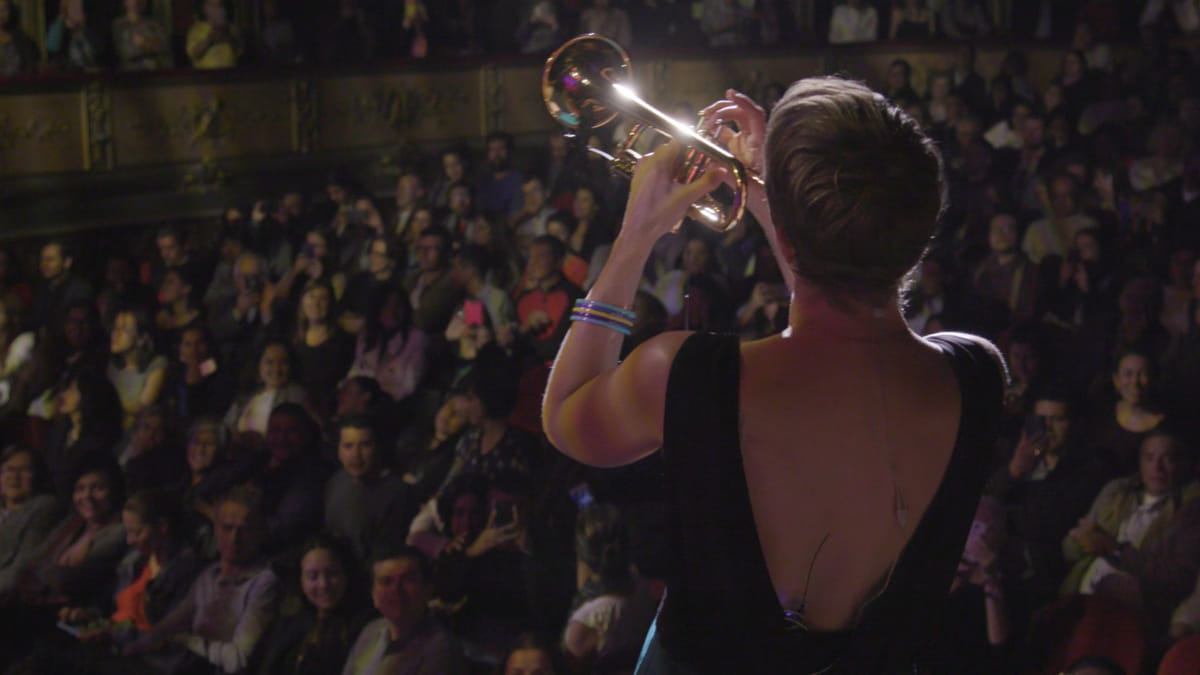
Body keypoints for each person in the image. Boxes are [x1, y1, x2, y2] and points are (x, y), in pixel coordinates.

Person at [542, 80, 1006, 672]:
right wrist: (776, 203)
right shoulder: (976, 375)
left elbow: (566, 415)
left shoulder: (688, 374)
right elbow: (850, 321)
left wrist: (636, 236)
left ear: (783, 237)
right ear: (920, 235)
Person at [342, 545, 467, 674]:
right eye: (386, 581)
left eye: (408, 580)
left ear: (428, 589)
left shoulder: (440, 650)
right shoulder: (371, 631)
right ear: (373, 594)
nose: (396, 590)